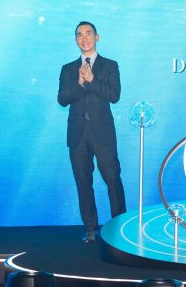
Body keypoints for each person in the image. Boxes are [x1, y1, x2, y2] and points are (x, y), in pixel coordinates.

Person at [57, 21, 126, 243]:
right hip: (77, 135)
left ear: (97, 37)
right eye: (79, 34)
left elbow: (114, 95)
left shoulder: (109, 65)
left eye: (88, 33)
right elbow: (62, 99)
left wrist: (92, 80)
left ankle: (119, 227)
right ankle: (90, 229)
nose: (84, 38)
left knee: (112, 180)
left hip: (103, 134)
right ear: (75, 39)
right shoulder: (68, 68)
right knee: (83, 183)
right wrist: (79, 83)